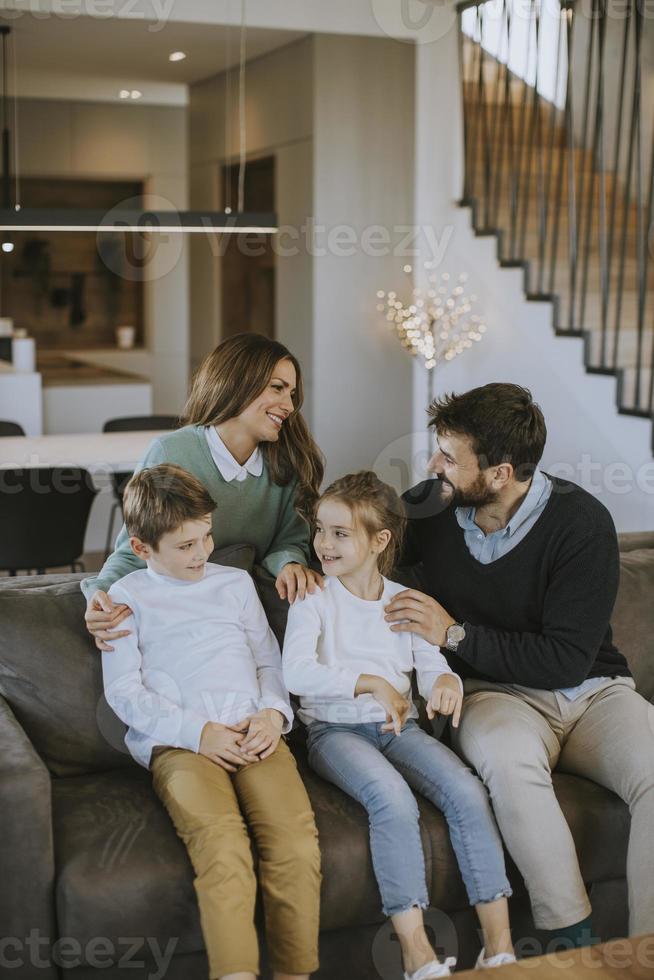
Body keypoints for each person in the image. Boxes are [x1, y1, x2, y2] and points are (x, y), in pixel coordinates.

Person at [386, 382, 654, 947]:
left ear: (500, 474)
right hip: (492, 694)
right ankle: (570, 942)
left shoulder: (582, 525)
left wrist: (454, 632)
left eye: (450, 458)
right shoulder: (431, 506)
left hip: (592, 693)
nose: (435, 466)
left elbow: (564, 659)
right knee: (510, 766)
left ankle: (644, 950)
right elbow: (360, 542)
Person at [283, 471, 515, 980]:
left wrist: (445, 682)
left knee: (467, 791)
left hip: (399, 730)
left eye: (340, 533)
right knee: (392, 800)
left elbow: (429, 663)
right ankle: (416, 954)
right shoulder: (313, 598)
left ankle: (499, 949)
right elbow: (296, 673)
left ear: (379, 541)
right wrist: (369, 682)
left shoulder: (402, 598)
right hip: (335, 732)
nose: (323, 543)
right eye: (321, 530)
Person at [101, 462, 321, 980]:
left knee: (293, 840)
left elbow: (269, 660)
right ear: (142, 548)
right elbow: (124, 692)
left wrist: (272, 713)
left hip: (254, 731)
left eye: (206, 537)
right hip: (181, 745)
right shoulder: (127, 600)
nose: (201, 553)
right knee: (223, 847)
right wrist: (198, 733)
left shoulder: (236, 583)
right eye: (184, 546)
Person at [83, 333, 325, 651]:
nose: (290, 406)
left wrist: (289, 564)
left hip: (245, 614)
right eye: (277, 388)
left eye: (292, 393)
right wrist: (102, 594)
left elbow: (288, 540)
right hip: (180, 614)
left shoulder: (287, 461)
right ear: (237, 383)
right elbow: (134, 549)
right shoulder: (171, 452)